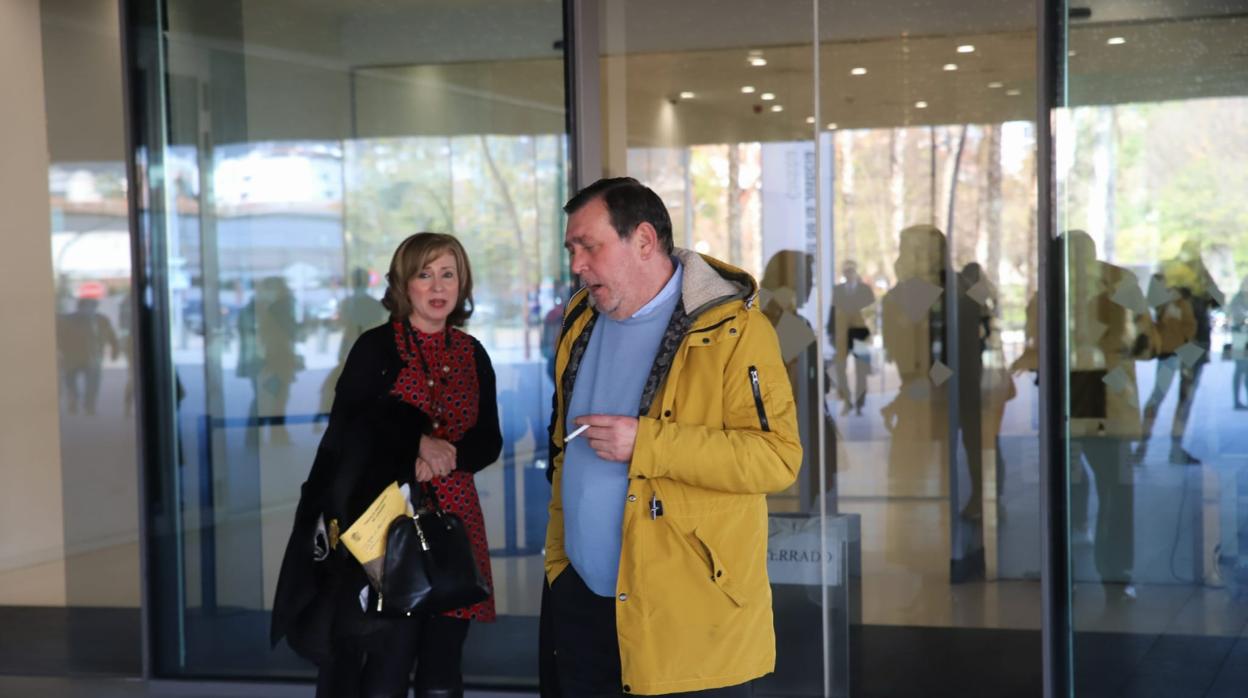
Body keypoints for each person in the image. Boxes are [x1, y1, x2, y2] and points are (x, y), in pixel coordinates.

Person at [542, 177, 802, 696]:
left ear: (642, 240)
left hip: (683, 617)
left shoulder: (733, 331)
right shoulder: (580, 321)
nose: (576, 264)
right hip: (581, 605)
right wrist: (561, 568)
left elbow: (776, 457)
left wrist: (648, 443)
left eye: (588, 246)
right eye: (572, 249)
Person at [271, 233, 502, 698]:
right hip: (381, 531)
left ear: (462, 283)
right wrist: (415, 445)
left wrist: (442, 456)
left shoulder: (473, 352)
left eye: (448, 273)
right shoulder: (375, 348)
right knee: (383, 674)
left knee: (442, 675)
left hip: (452, 534)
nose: (438, 285)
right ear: (404, 285)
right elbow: (348, 431)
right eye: (424, 274)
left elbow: (489, 441)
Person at [57, 295, 120, 415]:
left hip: (93, 358)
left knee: (93, 384)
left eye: (92, 307)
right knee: (70, 381)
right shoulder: (68, 320)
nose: (88, 310)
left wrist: (115, 351)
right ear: (79, 307)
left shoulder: (102, 320)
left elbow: (112, 337)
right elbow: (58, 336)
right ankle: (74, 399)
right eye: (85, 306)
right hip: (71, 358)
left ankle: (89, 406)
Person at [827, 260, 875, 416]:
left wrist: (871, 334)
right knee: (840, 369)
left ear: (856, 271)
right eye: (846, 271)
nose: (849, 274)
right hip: (842, 335)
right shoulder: (838, 290)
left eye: (851, 270)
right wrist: (830, 333)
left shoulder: (865, 290)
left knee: (861, 370)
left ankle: (860, 404)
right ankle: (847, 401)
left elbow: (871, 314)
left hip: (860, 335)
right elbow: (832, 312)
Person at [1230, 275, 1248, 410]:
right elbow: (1237, 316)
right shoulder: (1237, 299)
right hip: (1239, 336)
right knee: (1240, 369)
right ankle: (1236, 401)